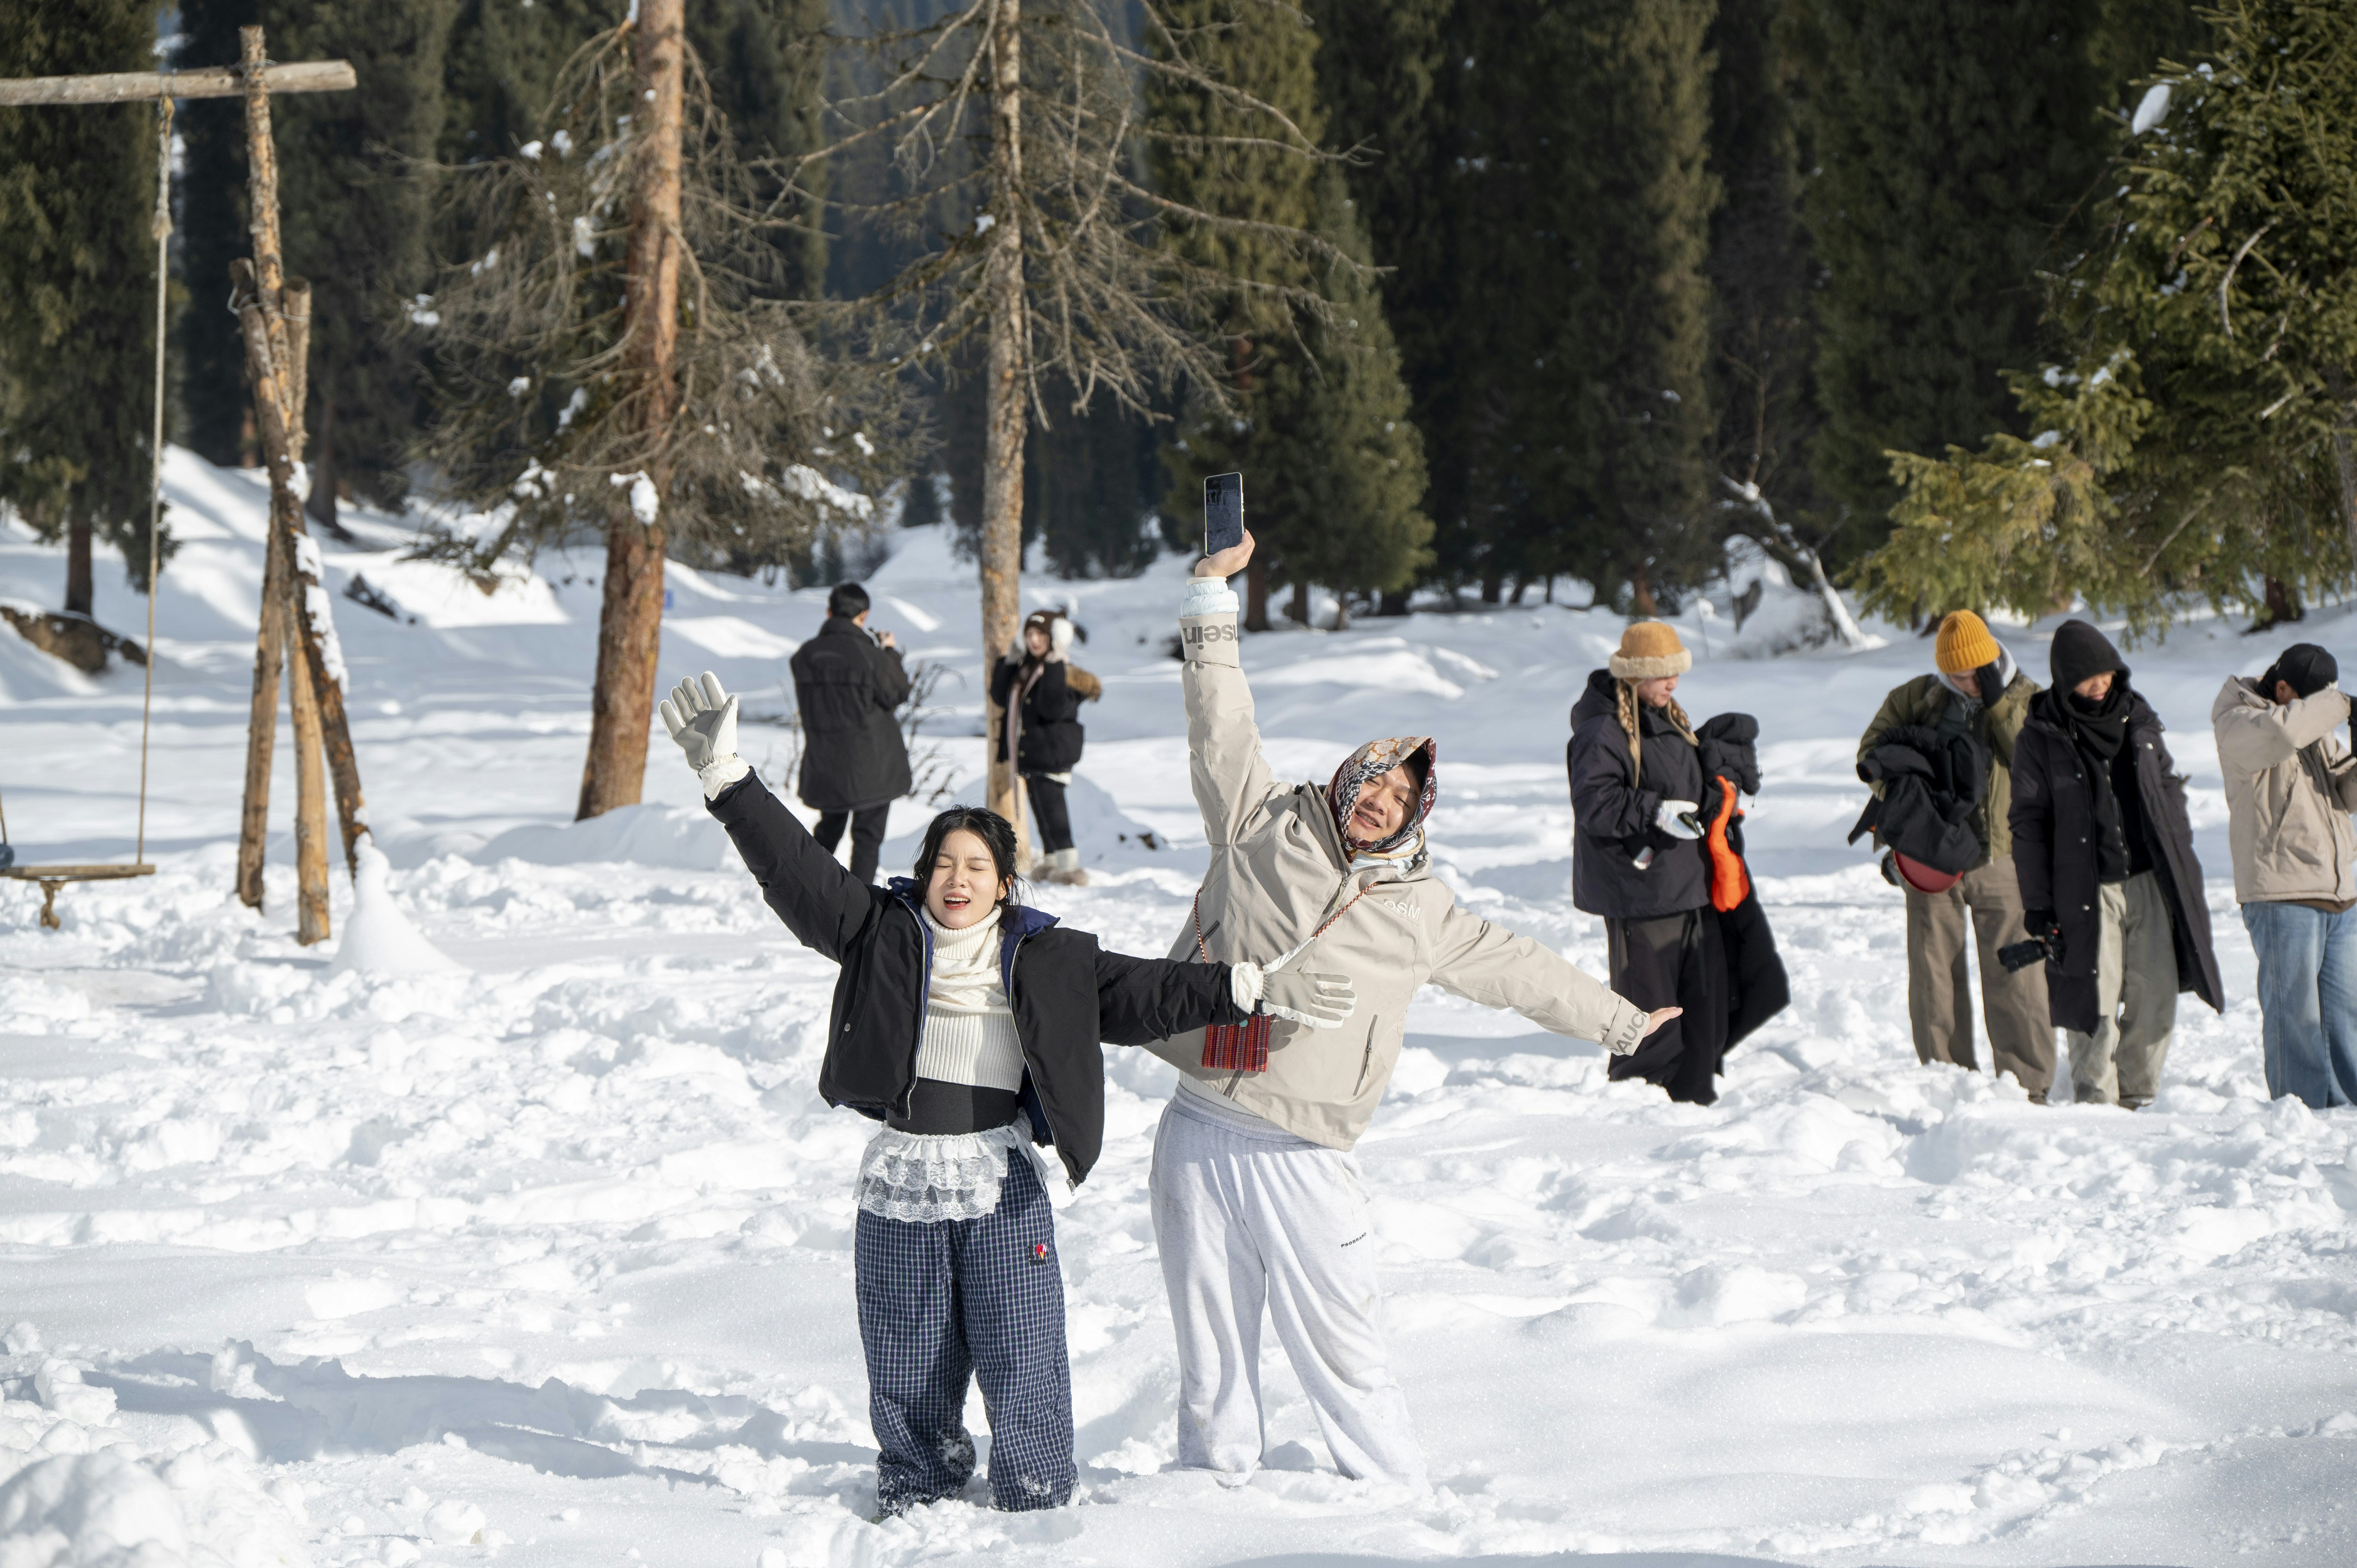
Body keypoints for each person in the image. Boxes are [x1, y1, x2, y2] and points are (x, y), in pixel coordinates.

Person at [659, 671, 1358, 1515]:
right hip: (903, 1180)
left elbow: (1147, 992)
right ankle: (919, 1484)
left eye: (978, 865)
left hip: (1000, 1180)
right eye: (944, 863)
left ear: (1004, 884)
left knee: (1022, 1345)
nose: (959, 878)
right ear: (921, 876)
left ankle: (1036, 1494)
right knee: (906, 1349)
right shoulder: (877, 932)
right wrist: (728, 780)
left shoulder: (1051, 959)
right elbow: (799, 872)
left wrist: (1242, 985)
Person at [1147, 531, 1675, 1492]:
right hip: (1195, 1125)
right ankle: (1208, 1512)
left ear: (1416, 811)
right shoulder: (1258, 822)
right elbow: (1218, 717)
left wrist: (1622, 1021)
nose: (1382, 801)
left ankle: (1399, 1508)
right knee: (1211, 1356)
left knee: (1346, 1352)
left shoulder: (1422, 910)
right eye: (1375, 781)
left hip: (1303, 1152)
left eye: (1401, 795)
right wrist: (1211, 604)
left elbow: (1518, 968)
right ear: (1349, 776)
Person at [2011, 620, 2222, 1108]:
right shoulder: (2040, 737)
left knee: (2157, 995)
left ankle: (2140, 1094)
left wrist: (2181, 850)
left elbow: (2166, 788)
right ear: (2065, 682)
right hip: (2086, 888)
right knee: (2095, 1002)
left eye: (2106, 672)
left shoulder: (2139, 720)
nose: (2100, 683)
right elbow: (2028, 825)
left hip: (2149, 879)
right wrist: (2039, 906)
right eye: (2087, 677)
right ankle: (2095, 1103)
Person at [1566, 620, 1770, 1105]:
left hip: (1683, 882)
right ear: (1635, 675)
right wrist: (1654, 810)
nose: (1672, 684)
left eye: (1676, 674)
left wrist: (1719, 791)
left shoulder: (1665, 716)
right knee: (1648, 1000)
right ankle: (1641, 1098)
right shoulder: (1602, 731)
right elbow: (1594, 802)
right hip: (1638, 890)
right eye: (1662, 675)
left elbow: (1681, 780)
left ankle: (1686, 1091)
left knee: (1695, 994)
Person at [1856, 610, 2053, 1101]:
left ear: (1991, 662)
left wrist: (1996, 704)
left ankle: (2028, 1085)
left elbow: (2035, 763)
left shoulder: (2028, 697)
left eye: (1973, 673)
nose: (1964, 682)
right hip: (1929, 858)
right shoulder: (1917, 696)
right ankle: (1946, 1080)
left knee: (2017, 972)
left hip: (2004, 859)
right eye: (1956, 674)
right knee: (1933, 971)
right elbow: (1871, 755)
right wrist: (1912, 801)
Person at [2212, 643, 2357, 1108]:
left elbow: (2345, 792)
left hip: (2339, 893)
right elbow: (2281, 736)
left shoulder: (2308, 725)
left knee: (2344, 1017)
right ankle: (2302, 1117)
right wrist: (2341, 704)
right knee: (2295, 1015)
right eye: (2313, 701)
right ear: (2282, 689)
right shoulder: (2239, 720)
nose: (2321, 712)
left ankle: (2347, 1112)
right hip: (2282, 894)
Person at [788, 582, 911, 885]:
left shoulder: (805, 655)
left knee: (829, 828)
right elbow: (897, 692)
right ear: (865, 615)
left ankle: (806, 886)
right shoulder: (869, 655)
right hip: (872, 762)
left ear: (829, 612)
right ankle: (860, 903)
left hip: (825, 760)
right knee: (867, 838)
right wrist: (891, 652)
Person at [991, 609, 1101, 886]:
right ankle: (1053, 861)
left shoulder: (1062, 671)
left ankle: (1069, 868)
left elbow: (1051, 708)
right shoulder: (1027, 668)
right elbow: (999, 696)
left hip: (1052, 753)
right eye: (1029, 635)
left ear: (1055, 638)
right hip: (1033, 754)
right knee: (1041, 809)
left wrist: (1053, 663)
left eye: (1041, 635)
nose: (1034, 640)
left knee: (1055, 811)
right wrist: (1012, 659)